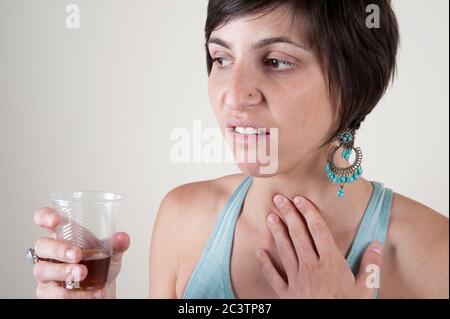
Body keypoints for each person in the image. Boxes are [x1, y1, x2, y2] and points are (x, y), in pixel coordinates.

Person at [30, 0, 449, 299]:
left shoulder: (435, 253)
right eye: (221, 58)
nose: (234, 95)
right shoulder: (183, 218)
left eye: (276, 61)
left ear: (353, 83)